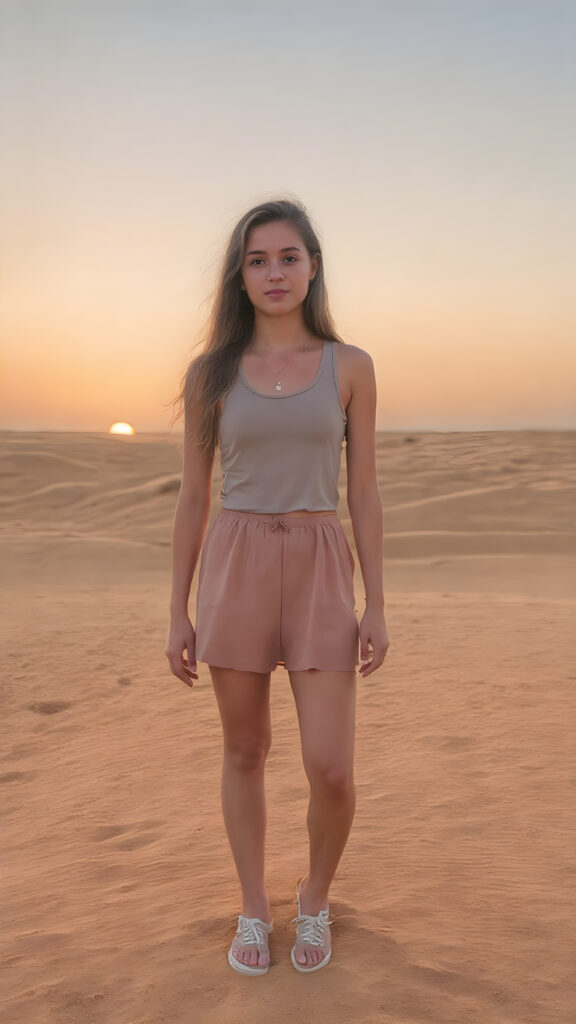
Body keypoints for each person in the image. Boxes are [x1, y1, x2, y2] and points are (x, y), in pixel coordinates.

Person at [165, 198, 389, 975]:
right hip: (237, 559)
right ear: (240, 275)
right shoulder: (211, 374)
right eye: (257, 260)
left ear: (313, 266)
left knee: (331, 767)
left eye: (288, 257)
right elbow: (194, 497)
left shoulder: (350, 365)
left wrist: (378, 605)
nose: (274, 273)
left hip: (324, 559)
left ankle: (315, 898)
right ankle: (255, 911)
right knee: (246, 748)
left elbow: (363, 491)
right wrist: (178, 613)